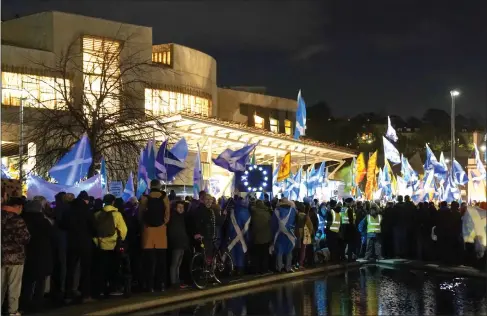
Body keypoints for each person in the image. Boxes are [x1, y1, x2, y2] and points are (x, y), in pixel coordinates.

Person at [20, 199, 54, 312]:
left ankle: (25, 302)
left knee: (27, 280)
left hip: (28, 254)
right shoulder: (44, 222)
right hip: (43, 254)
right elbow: (51, 236)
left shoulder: (23, 220)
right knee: (41, 281)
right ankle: (37, 303)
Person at [93, 194, 128, 297]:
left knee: (101, 269)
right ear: (113, 202)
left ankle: (101, 290)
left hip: (101, 246)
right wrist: (120, 240)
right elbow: (124, 230)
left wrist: (97, 241)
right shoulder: (117, 215)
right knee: (114, 268)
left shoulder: (97, 214)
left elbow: (94, 231)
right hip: (113, 246)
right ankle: (113, 289)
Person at [139, 180, 170, 292]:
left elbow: (140, 215)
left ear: (150, 186)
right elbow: (167, 216)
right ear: (160, 186)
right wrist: (162, 224)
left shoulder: (144, 198)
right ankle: (160, 285)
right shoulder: (165, 198)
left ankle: (149, 286)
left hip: (148, 233)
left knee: (149, 262)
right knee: (161, 262)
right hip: (161, 233)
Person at [63, 191, 94, 302]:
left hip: (72, 242)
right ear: (86, 200)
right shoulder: (87, 210)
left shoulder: (69, 209)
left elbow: (63, 224)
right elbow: (93, 226)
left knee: (70, 269)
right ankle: (85, 295)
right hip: (85, 243)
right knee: (85, 269)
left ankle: (68, 294)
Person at [2, 197, 30, 316]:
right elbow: (25, 238)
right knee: (14, 286)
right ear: (17, 206)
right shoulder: (17, 220)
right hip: (15, 258)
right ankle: (12, 311)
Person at [167, 200, 189, 289]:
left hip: (181, 243)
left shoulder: (181, 217)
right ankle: (174, 282)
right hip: (177, 243)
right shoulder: (174, 217)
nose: (181, 209)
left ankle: (177, 280)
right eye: (179, 207)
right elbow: (174, 231)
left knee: (178, 263)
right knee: (175, 263)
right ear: (175, 208)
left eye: (182, 207)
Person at [271, 198, 296, 273]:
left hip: (279, 234)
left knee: (279, 251)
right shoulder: (292, 211)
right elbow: (294, 222)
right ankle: (288, 267)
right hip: (289, 234)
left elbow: (273, 224)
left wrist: (274, 233)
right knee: (289, 251)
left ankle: (279, 268)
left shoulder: (276, 211)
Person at [249, 198, 272, 274]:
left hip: (256, 237)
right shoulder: (267, 213)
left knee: (256, 254)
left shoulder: (253, 213)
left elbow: (251, 225)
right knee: (265, 254)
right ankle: (264, 269)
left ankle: (256, 269)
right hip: (266, 237)